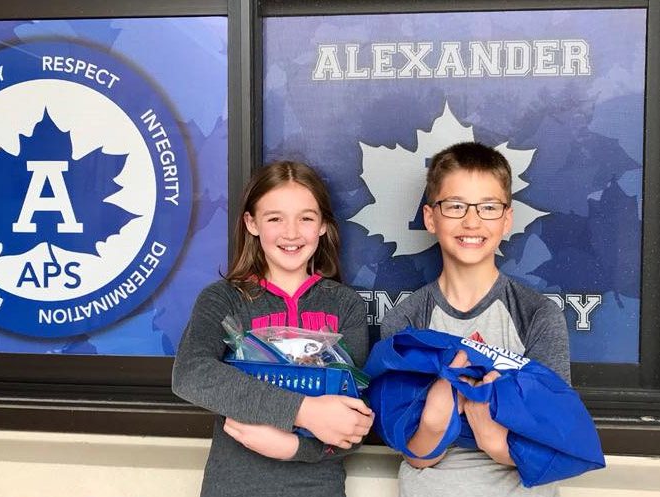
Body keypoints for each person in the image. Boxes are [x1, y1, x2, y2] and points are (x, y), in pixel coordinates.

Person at [172, 160, 373, 497]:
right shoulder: (223, 299)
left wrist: (294, 447)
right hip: (234, 487)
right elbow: (191, 374)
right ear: (252, 223)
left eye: (306, 218)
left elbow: (354, 424)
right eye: (275, 218)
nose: (291, 233)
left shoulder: (345, 305)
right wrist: (304, 411)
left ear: (323, 225)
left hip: (318, 488)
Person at [380, 142, 570, 497]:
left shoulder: (537, 315)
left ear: (507, 218)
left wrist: (491, 436)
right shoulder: (405, 320)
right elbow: (414, 452)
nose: (472, 221)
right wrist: (436, 420)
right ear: (430, 218)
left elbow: (554, 438)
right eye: (455, 206)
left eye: (488, 207)